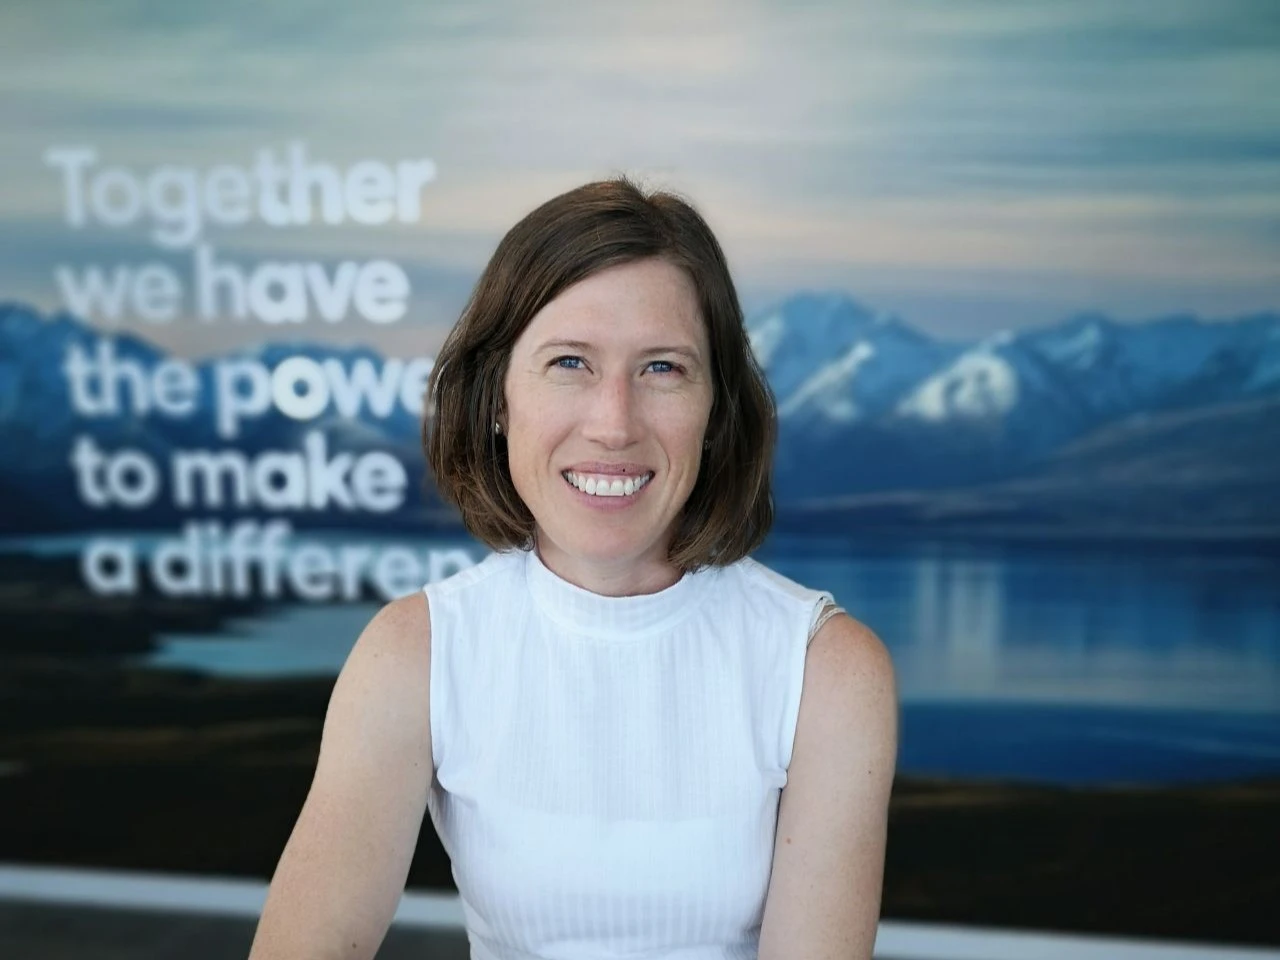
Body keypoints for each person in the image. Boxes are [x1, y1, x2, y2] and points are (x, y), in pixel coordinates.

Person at [248, 177, 898, 960]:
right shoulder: (414, 652)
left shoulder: (825, 669)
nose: (613, 424)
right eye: (569, 363)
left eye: (662, 369)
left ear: (716, 410)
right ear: (497, 398)